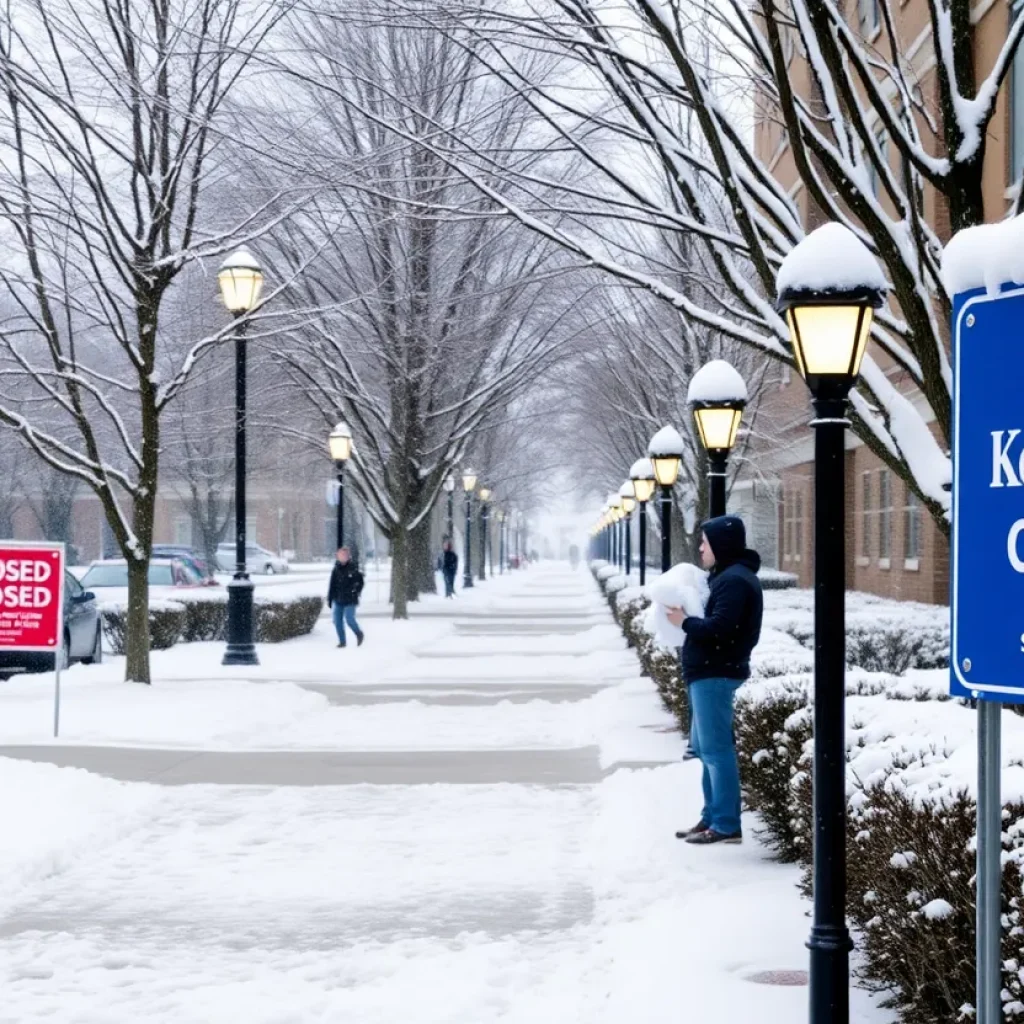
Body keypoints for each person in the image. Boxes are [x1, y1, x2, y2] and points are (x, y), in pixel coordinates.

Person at [666, 515, 763, 846]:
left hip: (715, 673)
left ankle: (725, 824)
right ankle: (712, 818)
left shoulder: (734, 581)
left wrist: (684, 622)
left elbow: (721, 629)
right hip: (708, 672)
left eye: (705, 542)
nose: (700, 548)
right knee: (707, 751)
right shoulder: (727, 577)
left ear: (721, 545)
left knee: (717, 751)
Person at [327, 546, 365, 648]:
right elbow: (332, 585)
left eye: (345, 555)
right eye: (340, 555)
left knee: (349, 619)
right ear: (337, 556)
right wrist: (330, 599)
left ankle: (359, 633)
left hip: (350, 599)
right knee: (337, 621)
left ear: (348, 556)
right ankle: (342, 642)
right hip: (338, 599)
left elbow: (360, 582)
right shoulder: (335, 569)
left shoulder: (353, 567)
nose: (342, 557)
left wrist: (355, 591)